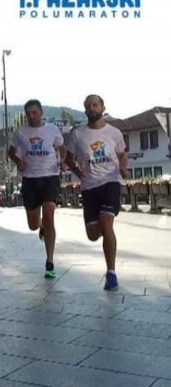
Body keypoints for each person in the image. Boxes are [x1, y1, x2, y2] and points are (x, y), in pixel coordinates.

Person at [64, 94, 128, 291]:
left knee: (106, 224)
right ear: (85, 109)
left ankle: (111, 274)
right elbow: (68, 159)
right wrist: (77, 171)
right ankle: (105, 234)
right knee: (93, 234)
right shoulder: (77, 134)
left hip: (110, 182)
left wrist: (123, 168)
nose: (92, 108)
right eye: (88, 106)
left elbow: (122, 154)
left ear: (102, 107)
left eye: (95, 105)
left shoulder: (114, 132)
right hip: (89, 186)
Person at [8, 99, 67, 279]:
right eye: (28, 114)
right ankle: (41, 226)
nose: (31, 116)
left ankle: (50, 261)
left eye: (34, 113)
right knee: (33, 224)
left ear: (41, 112)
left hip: (50, 176)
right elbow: (11, 152)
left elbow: (62, 148)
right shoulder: (21, 132)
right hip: (30, 179)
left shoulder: (52, 130)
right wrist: (18, 161)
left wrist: (62, 161)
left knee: (49, 214)